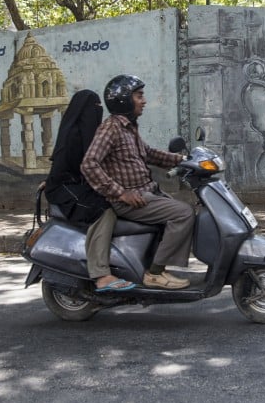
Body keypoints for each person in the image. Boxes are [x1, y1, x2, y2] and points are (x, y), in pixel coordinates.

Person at [81, 75, 194, 290]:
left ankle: (152, 262)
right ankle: (156, 272)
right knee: (184, 213)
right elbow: (89, 163)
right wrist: (120, 193)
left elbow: (149, 154)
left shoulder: (128, 128)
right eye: (139, 96)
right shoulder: (111, 128)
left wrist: (185, 160)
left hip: (148, 192)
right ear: (124, 99)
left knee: (180, 210)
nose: (144, 101)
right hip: (131, 200)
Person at [45, 89, 135, 293]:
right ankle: (101, 274)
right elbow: (76, 166)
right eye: (94, 109)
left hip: (74, 184)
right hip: (66, 188)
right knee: (103, 210)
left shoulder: (75, 130)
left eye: (99, 109)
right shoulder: (75, 136)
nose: (97, 113)